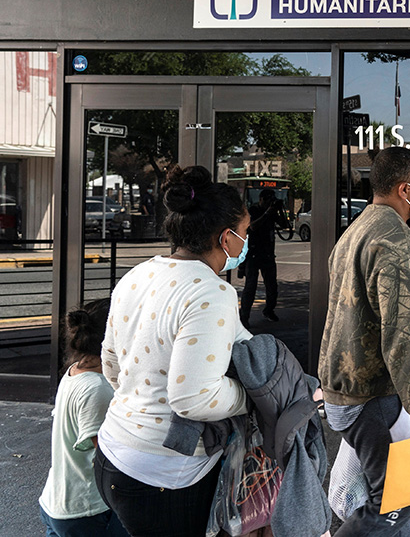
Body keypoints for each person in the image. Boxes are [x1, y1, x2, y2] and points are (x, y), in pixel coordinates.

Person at [95, 165, 254, 537]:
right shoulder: (211, 292)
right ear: (225, 238)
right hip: (164, 474)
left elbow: (111, 363)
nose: (247, 242)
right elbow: (194, 400)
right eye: (245, 233)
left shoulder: (138, 274)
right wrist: (252, 395)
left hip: (113, 453)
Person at [319, 146, 410, 537]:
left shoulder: (355, 231)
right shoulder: (395, 242)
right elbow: (406, 336)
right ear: (404, 189)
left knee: (384, 498)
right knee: (393, 505)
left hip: (350, 390)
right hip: (370, 396)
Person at [39, 298, 129, 537]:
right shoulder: (96, 388)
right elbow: (108, 458)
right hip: (87, 511)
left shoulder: (75, 371)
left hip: (58, 501)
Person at [240, 188, 286, 324]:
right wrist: (267, 213)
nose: (268, 203)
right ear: (261, 199)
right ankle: (244, 316)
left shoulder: (272, 212)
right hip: (253, 254)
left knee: (272, 286)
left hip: (268, 254)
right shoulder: (253, 211)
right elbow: (252, 227)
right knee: (250, 287)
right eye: (267, 200)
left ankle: (269, 310)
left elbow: (284, 225)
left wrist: (279, 211)